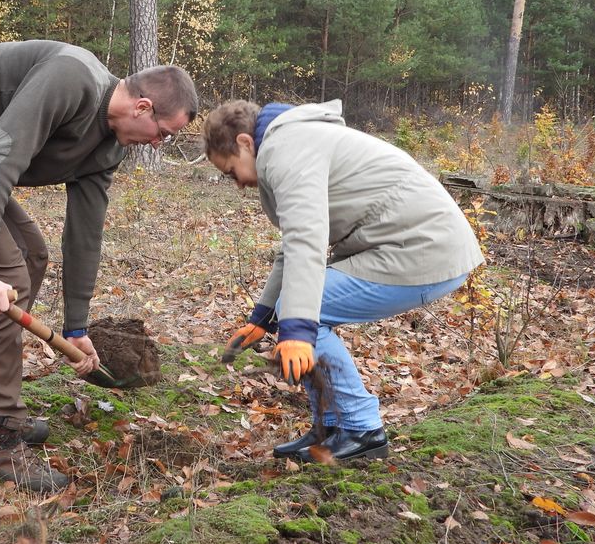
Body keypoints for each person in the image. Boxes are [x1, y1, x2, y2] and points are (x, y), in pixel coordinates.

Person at [0, 40, 198, 492]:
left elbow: (85, 235)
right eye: (164, 132)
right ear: (142, 107)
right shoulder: (72, 78)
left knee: (30, 256)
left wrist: (77, 326)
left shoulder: (108, 147)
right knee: (7, 270)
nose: (160, 144)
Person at [204, 99, 484, 462]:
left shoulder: (285, 148)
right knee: (296, 315)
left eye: (230, 172)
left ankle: (361, 429)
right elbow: (294, 245)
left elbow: (307, 240)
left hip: (424, 248)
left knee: (303, 316)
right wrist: (261, 318)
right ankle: (333, 427)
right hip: (412, 245)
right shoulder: (291, 142)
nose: (238, 184)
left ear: (244, 143)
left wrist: (297, 326)